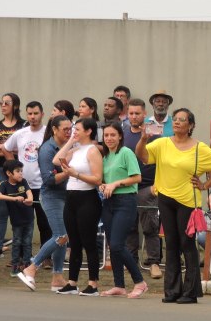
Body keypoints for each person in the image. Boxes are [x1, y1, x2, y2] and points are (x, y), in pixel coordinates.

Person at [136, 107, 211, 304]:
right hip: (165, 199)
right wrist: (143, 139)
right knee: (171, 244)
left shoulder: (199, 148)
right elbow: (143, 157)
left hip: (188, 201)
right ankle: (171, 291)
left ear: (191, 125)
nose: (177, 122)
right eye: (175, 119)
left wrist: (205, 185)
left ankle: (190, 291)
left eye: (182, 119)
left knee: (187, 244)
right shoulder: (162, 143)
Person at [16, 116, 72, 292]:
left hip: (66, 195)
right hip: (52, 196)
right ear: (55, 129)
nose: (69, 132)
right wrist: (70, 172)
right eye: (65, 129)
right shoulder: (47, 149)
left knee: (64, 237)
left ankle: (57, 278)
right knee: (60, 236)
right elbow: (48, 180)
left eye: (71, 129)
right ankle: (31, 267)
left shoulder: (68, 146)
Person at [53, 117, 104, 296]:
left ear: (89, 131)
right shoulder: (75, 149)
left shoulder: (92, 151)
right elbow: (56, 161)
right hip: (71, 197)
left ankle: (93, 284)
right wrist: (70, 142)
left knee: (88, 242)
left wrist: (76, 174)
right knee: (74, 242)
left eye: (78, 129)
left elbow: (98, 179)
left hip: (87, 199)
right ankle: (72, 282)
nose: (74, 131)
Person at [99, 122, 147, 298]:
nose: (109, 138)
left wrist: (116, 183)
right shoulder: (105, 156)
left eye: (113, 135)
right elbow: (104, 179)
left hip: (125, 201)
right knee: (113, 246)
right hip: (109, 202)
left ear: (120, 136)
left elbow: (137, 177)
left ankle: (140, 282)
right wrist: (104, 186)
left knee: (119, 244)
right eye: (106, 135)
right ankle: (119, 285)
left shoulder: (126, 152)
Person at [3, 101, 51, 252]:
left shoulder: (48, 133)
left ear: (42, 114)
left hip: (43, 185)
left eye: (36, 113)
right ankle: (22, 257)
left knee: (45, 223)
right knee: (22, 223)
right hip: (23, 186)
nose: (33, 117)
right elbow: (5, 148)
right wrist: (14, 168)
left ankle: (46, 256)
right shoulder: (20, 133)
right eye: (29, 113)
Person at [123, 98, 162, 280]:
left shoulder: (154, 134)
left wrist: (158, 184)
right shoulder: (122, 134)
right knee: (129, 226)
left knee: (150, 226)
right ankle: (131, 261)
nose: (134, 116)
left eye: (137, 113)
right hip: (127, 186)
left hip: (148, 186)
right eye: (131, 113)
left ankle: (153, 262)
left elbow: (162, 160)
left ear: (145, 114)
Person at [0, 92, 24, 258]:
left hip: (18, 172)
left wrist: (0, 146)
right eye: (1, 103)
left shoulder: (23, 125)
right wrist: (7, 148)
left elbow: (21, 148)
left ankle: (20, 247)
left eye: (7, 103)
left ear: (15, 105)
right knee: (0, 210)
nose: (3, 105)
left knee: (19, 209)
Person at [0, 159, 34, 276]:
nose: (21, 173)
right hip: (16, 221)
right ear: (9, 173)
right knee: (17, 242)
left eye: (21, 171)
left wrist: (29, 199)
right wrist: (14, 198)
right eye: (18, 171)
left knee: (27, 242)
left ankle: (27, 266)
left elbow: (29, 193)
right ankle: (15, 266)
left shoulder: (24, 182)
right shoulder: (4, 185)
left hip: (29, 219)